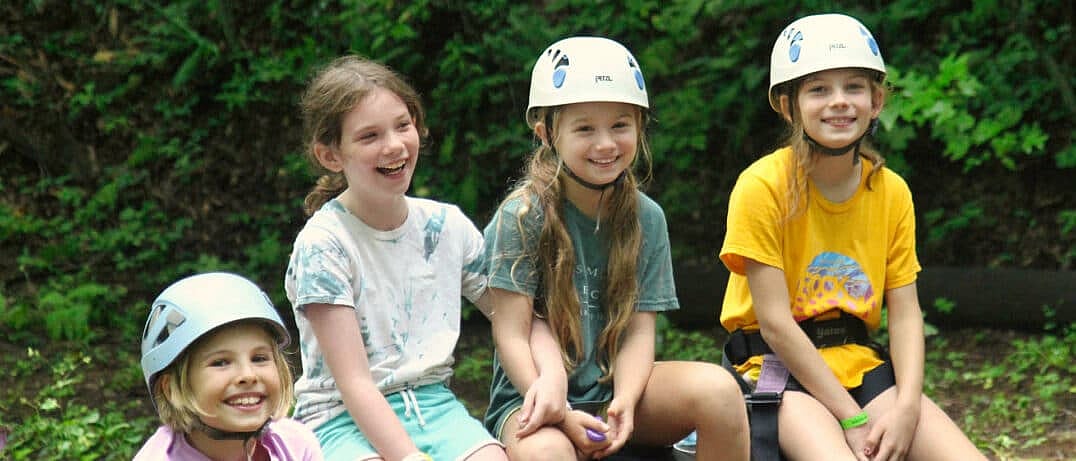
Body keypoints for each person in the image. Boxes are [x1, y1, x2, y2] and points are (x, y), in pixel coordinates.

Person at [716, 13, 988, 461]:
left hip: (860, 365)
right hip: (779, 370)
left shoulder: (891, 191)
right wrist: (852, 419)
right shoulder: (762, 186)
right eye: (819, 89)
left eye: (854, 87)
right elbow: (777, 326)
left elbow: (904, 315)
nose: (839, 102)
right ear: (788, 105)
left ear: (876, 100)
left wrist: (905, 408)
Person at [482, 36, 750, 461]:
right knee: (547, 453)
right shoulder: (521, 216)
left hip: (619, 387)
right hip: (532, 395)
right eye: (585, 128)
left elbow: (640, 330)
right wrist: (563, 413)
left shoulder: (648, 218)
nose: (605, 144)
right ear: (546, 132)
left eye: (620, 126)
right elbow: (511, 334)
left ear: (640, 127)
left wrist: (624, 400)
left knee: (719, 391)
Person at [284, 55, 525, 461]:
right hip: (339, 418)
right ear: (330, 155)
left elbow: (512, 315)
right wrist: (409, 457)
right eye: (369, 136)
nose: (394, 145)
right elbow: (354, 382)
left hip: (435, 406)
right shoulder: (323, 246)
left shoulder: (446, 226)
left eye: (403, 125)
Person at [136, 271, 323, 461]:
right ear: (170, 389)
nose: (248, 375)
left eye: (259, 358)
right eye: (221, 362)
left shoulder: (296, 445)